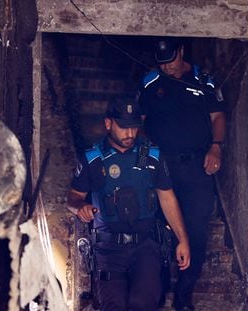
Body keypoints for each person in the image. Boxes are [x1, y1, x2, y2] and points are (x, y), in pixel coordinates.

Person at [67, 96, 191, 311]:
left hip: (146, 246)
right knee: (113, 305)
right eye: (124, 127)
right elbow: (73, 198)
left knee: (142, 305)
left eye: (134, 127)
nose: (130, 134)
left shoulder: (149, 155)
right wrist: (80, 207)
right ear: (108, 124)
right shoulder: (93, 158)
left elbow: (167, 198)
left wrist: (183, 239)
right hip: (108, 248)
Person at [138, 37, 226, 311]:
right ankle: (160, 287)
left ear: (182, 52)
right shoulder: (149, 82)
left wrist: (216, 148)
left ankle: (184, 295)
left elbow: (218, 118)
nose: (167, 68)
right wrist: (144, 158)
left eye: (172, 62)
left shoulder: (204, 80)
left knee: (196, 231)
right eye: (162, 64)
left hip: (196, 167)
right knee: (160, 231)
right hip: (161, 166)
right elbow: (138, 124)